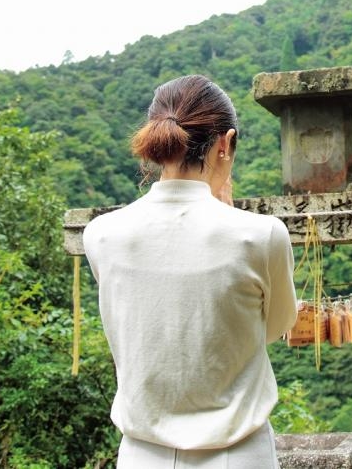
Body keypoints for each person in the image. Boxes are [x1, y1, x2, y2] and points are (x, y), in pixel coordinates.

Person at [83, 74, 298, 468]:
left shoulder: (101, 236)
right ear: (225, 143)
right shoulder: (261, 236)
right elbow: (271, 327)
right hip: (239, 456)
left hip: (140, 456)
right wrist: (229, 217)